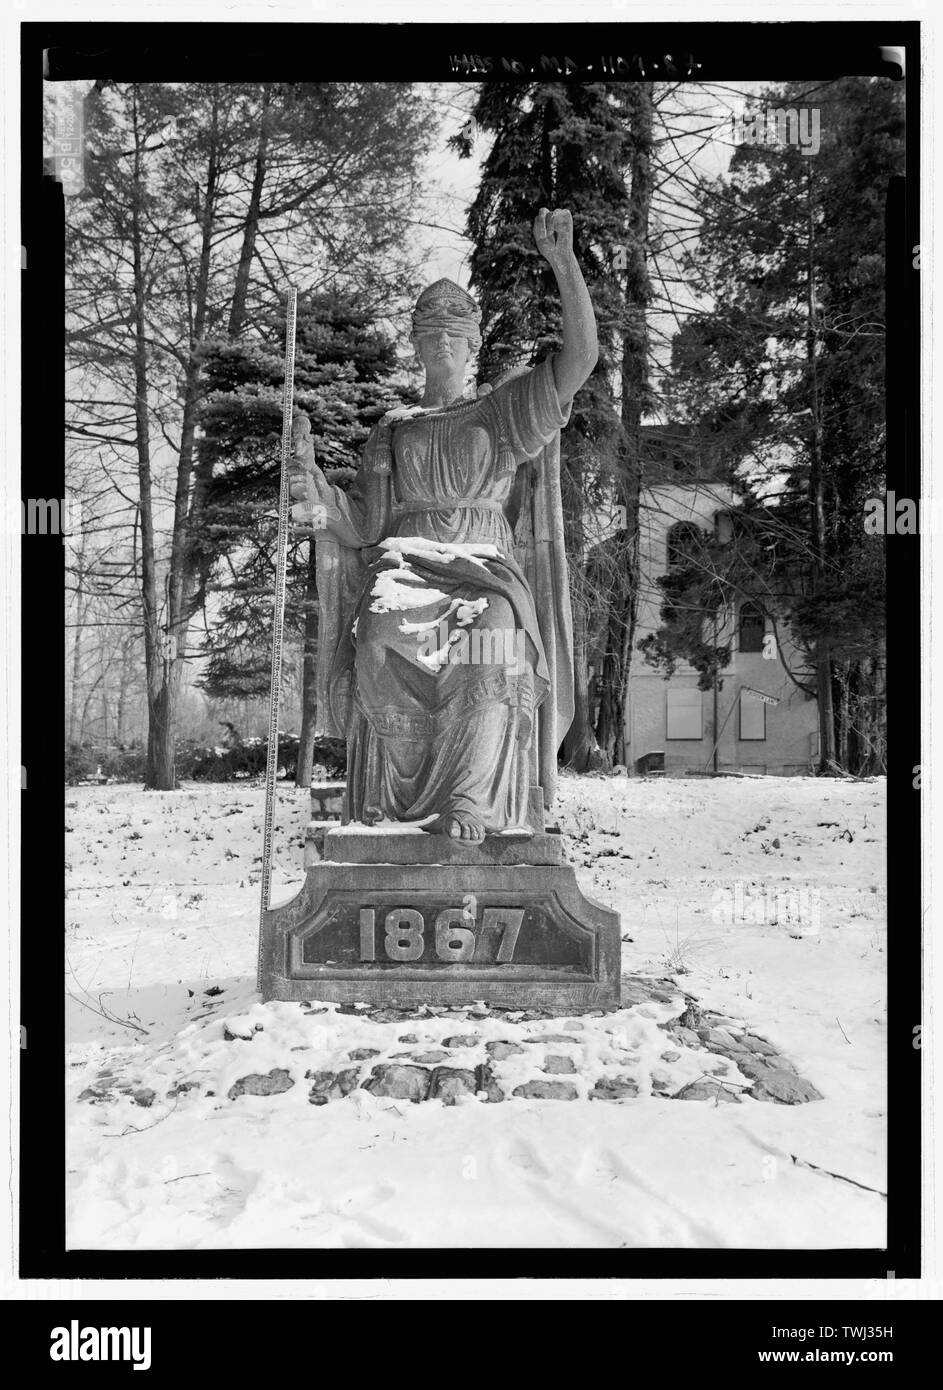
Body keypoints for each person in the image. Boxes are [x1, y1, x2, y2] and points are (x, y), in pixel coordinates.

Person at [290, 208, 597, 841]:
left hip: (483, 574)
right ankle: (391, 809)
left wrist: (564, 264)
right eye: (429, 336)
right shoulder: (392, 428)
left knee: (494, 641)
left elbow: (581, 359)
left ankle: (469, 801)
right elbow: (362, 528)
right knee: (375, 642)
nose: (441, 346)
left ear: (473, 343)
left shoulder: (502, 409)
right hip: (403, 570)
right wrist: (311, 492)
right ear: (416, 345)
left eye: (453, 335)